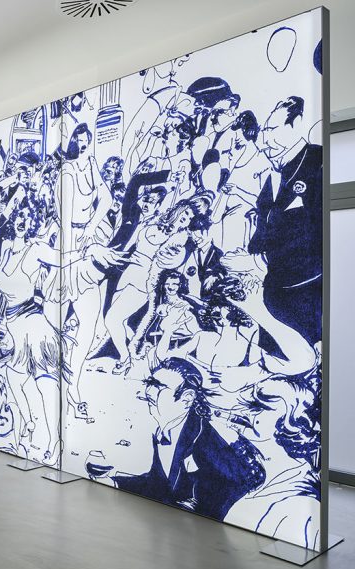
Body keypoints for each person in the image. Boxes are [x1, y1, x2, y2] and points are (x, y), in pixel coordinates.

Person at [109, 357, 265, 521]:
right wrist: (116, 482)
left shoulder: (205, 440)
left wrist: (202, 513)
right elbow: (158, 483)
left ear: (187, 398)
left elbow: (240, 481)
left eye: (159, 386)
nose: (149, 391)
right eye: (150, 382)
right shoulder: (164, 431)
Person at [230, 96, 323, 350]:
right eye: (265, 131)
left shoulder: (319, 161)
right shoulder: (274, 174)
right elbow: (263, 227)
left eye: (272, 129)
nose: (265, 141)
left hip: (304, 294)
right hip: (274, 291)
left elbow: (319, 239)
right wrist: (251, 258)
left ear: (297, 123)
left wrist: (256, 262)